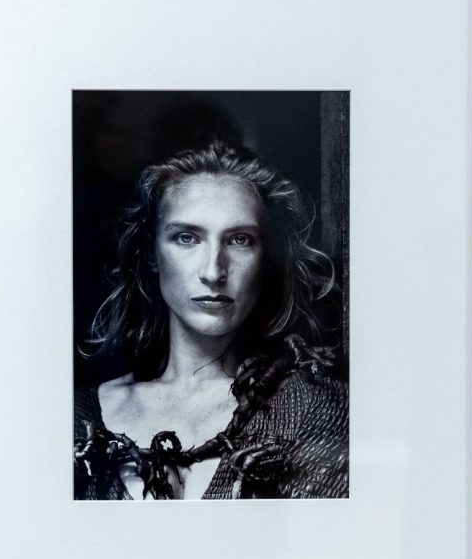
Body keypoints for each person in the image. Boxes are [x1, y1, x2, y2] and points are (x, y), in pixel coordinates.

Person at [73, 141, 348, 500]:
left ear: (268, 258)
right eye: (187, 238)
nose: (213, 272)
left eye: (240, 240)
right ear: (152, 253)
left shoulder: (314, 408)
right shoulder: (76, 419)